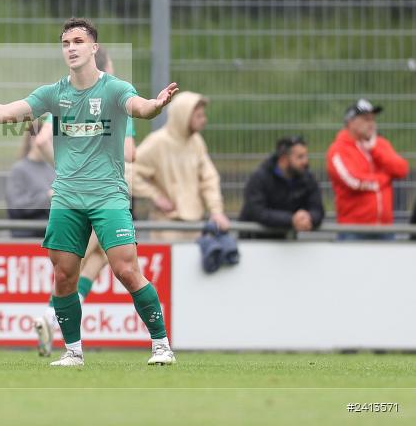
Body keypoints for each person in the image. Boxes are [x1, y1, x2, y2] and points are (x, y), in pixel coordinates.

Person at [0, 17, 179, 367]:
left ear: (93, 48)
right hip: (67, 197)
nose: (71, 47)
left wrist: (156, 105)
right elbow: (6, 113)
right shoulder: (53, 93)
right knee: (65, 275)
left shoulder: (113, 88)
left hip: (108, 195)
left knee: (126, 269)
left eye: (78, 41)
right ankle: (73, 351)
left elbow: (139, 108)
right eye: (66, 42)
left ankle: (161, 345)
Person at [32, 46, 137, 356]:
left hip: (77, 190)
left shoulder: (70, 99)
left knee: (99, 257)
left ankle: (51, 319)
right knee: (78, 262)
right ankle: (51, 317)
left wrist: (67, 169)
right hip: (104, 192)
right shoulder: (113, 100)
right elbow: (129, 153)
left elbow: (40, 140)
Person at [131, 92, 230, 239]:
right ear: (183, 116)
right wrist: (155, 196)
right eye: (198, 116)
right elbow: (127, 171)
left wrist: (216, 211)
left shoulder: (196, 142)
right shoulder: (157, 142)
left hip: (195, 225)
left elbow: (209, 178)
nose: (204, 120)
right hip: (166, 226)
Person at [326, 99, 408, 240]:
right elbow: (354, 181)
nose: (371, 123)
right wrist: (384, 179)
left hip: (385, 229)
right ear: (350, 122)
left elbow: (401, 169)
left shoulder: (380, 144)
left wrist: (375, 149)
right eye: (365, 119)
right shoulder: (338, 149)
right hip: (353, 230)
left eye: (372, 119)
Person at [239, 136, 324, 239]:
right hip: (255, 241)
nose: (305, 161)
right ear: (284, 159)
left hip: (288, 242)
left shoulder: (307, 178)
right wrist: (291, 219)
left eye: (306, 156)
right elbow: (257, 212)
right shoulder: (260, 178)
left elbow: (318, 209)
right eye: (300, 157)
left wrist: (309, 217)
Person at [5, 123, 55, 237]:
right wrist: (47, 197)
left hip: (50, 236)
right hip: (28, 237)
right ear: (34, 139)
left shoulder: (52, 170)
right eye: (49, 141)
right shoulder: (19, 170)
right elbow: (16, 207)